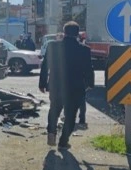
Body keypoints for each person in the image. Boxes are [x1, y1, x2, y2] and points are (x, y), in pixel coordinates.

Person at [38, 21, 94, 149]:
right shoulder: (84, 49)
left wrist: (42, 83)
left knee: (54, 110)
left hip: (56, 85)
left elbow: (45, 66)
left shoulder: (53, 46)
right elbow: (88, 69)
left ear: (64, 32)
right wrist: (90, 84)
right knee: (70, 115)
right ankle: (63, 142)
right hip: (75, 87)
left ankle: (51, 132)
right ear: (77, 34)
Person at [77, 32, 89, 129]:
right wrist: (90, 82)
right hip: (81, 79)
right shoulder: (84, 48)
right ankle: (82, 119)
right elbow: (89, 68)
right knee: (81, 100)